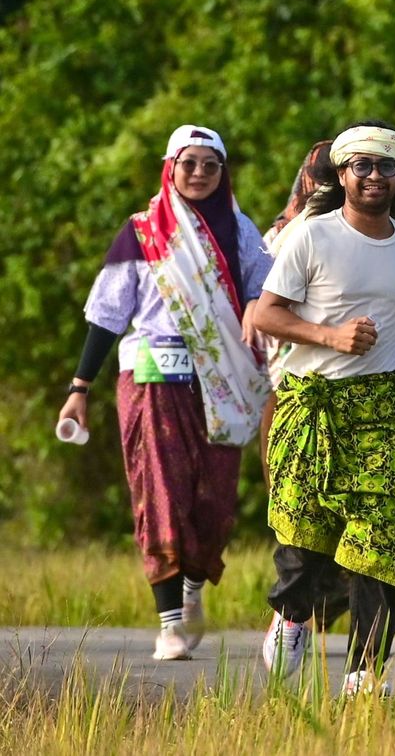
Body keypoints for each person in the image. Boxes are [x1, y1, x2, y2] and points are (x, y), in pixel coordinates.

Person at [254, 121, 395, 696]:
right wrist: (330, 335)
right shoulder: (312, 236)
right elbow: (265, 315)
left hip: (382, 408)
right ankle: (293, 616)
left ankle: (365, 670)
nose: (373, 176)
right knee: (302, 535)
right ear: (341, 174)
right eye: (361, 166)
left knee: (378, 539)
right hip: (310, 402)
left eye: (385, 167)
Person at [56, 124, 272, 661]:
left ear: (223, 173)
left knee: (215, 499)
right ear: (169, 166)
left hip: (222, 378)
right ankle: (169, 622)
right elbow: (108, 318)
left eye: (210, 165)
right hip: (152, 376)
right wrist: (79, 387)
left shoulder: (240, 232)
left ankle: (195, 580)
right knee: (160, 489)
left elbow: (266, 301)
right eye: (189, 163)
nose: (199, 173)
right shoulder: (141, 233)